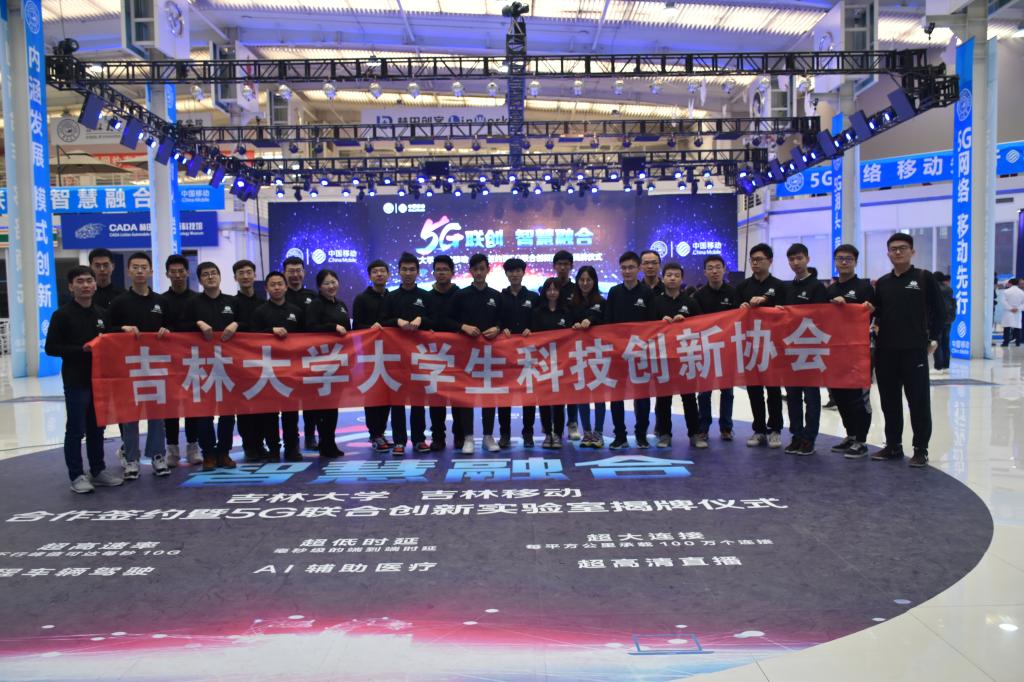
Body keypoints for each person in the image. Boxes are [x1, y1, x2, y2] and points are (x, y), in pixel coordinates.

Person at [45, 266, 124, 494]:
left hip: (99, 380)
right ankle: (76, 475)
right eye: (80, 281)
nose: (86, 285)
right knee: (76, 429)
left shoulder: (102, 313)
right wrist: (82, 349)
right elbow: (51, 348)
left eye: (89, 281)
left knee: (97, 428)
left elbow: (109, 340)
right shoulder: (62, 315)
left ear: (95, 284)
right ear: (71, 287)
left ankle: (97, 471)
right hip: (75, 380)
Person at [871, 233, 945, 468]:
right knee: (889, 401)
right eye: (893, 249)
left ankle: (921, 449)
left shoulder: (923, 277)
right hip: (886, 351)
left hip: (914, 350)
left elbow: (940, 311)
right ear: (888, 253)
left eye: (903, 248)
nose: (898, 252)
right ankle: (893, 445)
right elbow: (878, 313)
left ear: (912, 252)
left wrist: (934, 338)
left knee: (918, 401)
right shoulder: (883, 282)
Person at [107, 252, 171, 479]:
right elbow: (106, 330)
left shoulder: (161, 302)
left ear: (151, 271)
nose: (140, 271)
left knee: (157, 414)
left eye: (144, 267)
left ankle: (158, 455)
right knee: (129, 414)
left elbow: (173, 329)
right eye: (135, 267)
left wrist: (167, 331)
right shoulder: (119, 302)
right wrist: (121, 329)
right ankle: (131, 458)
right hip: (128, 368)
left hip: (155, 366)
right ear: (128, 271)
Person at [184, 262, 240, 471]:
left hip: (227, 365)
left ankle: (224, 452)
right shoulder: (192, 303)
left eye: (214, 273)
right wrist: (197, 324)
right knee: (204, 412)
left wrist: (237, 324)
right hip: (201, 366)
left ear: (220, 276)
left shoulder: (232, 302)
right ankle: (208, 453)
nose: (210, 277)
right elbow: (180, 327)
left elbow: (248, 323)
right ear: (200, 280)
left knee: (228, 412)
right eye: (205, 274)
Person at [825, 244, 875, 459]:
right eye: (840, 258)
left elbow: (872, 314)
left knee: (858, 399)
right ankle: (851, 435)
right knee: (840, 396)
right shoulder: (830, 290)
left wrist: (850, 308)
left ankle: (861, 440)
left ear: (855, 261)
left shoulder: (864, 288)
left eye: (848, 259)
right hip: (835, 352)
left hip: (858, 353)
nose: (844, 262)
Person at [382, 252, 433, 456]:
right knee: (398, 401)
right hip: (396, 357)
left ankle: (419, 439)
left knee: (418, 399)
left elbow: (435, 320)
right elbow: (382, 321)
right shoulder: (391, 296)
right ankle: (399, 440)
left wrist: (422, 319)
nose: (408, 273)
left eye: (412, 269)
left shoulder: (426, 296)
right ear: (399, 271)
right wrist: (397, 322)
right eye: (405, 269)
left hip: (420, 356)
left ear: (418, 272)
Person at [251, 271, 306, 462]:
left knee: (291, 413)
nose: (277, 288)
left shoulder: (296, 311)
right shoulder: (259, 312)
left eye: (280, 284)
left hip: (291, 370)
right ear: (266, 288)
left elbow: (305, 338)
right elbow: (252, 338)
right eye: (272, 285)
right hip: (267, 370)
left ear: (286, 286)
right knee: (269, 414)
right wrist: (270, 332)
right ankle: (273, 449)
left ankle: (292, 448)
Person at [779, 243, 828, 456]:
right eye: (792, 259)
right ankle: (796, 436)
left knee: (811, 396)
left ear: (807, 259)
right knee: (792, 396)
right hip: (791, 351)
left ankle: (809, 438)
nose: (796, 263)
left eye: (799, 258)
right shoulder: (788, 288)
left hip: (811, 350)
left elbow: (822, 317)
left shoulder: (817, 287)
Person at [451, 253, 503, 454]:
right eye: (475, 269)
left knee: (489, 395)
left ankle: (488, 436)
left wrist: (497, 328)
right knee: (467, 395)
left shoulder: (496, 295)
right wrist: (463, 326)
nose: (479, 272)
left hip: (490, 354)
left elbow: (503, 320)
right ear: (470, 271)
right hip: (466, 355)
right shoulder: (461, 295)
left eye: (482, 268)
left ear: (488, 269)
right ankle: (468, 437)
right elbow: (447, 319)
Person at [650, 262, 704, 449]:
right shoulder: (655, 302)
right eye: (669, 275)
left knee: (689, 398)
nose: (672, 278)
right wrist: (659, 323)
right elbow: (647, 330)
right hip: (663, 358)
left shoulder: (690, 302)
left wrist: (686, 322)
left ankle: (694, 434)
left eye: (676, 275)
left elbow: (701, 326)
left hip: (685, 357)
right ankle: (664, 434)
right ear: (663, 278)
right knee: (663, 398)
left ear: (682, 279)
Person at [737, 243, 785, 449]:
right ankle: (759, 429)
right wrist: (741, 308)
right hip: (750, 346)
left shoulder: (780, 286)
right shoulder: (742, 287)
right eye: (753, 260)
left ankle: (775, 429)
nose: (755, 263)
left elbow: (788, 314)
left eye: (760, 259)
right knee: (754, 390)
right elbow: (733, 316)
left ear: (770, 261)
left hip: (773, 346)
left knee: (773, 390)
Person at [303, 269, 351, 459]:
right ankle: (325, 443)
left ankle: (330, 442)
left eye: (334, 282)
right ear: (319, 287)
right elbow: (310, 328)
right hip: (321, 363)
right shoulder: (315, 304)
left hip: (338, 362)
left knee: (333, 406)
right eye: (326, 283)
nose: (331, 286)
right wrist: (332, 327)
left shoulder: (341, 304)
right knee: (322, 406)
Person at [607, 251, 652, 449]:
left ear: (638, 269)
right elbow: (607, 322)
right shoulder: (614, 292)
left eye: (631, 267)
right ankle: (620, 436)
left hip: (640, 353)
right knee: (617, 396)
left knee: (642, 396)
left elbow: (652, 323)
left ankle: (641, 435)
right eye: (624, 268)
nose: (627, 271)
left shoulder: (647, 293)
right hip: (618, 354)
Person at [693, 254, 737, 443]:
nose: (714, 271)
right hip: (706, 350)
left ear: (724, 269)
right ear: (705, 272)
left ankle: (726, 427)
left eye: (718, 267)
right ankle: (703, 427)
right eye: (710, 268)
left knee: (727, 391)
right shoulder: (699, 295)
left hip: (728, 349)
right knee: (704, 392)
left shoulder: (733, 293)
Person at [162, 254, 200, 466]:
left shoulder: (197, 299)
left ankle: (193, 447)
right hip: (169, 361)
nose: (177, 275)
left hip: (193, 360)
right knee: (171, 407)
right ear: (167, 274)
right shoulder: (161, 300)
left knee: (192, 405)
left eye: (181, 271)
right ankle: (172, 449)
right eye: (173, 272)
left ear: (187, 272)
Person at [353, 259, 393, 453]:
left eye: (382, 271)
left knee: (388, 394)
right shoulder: (361, 299)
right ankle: (374, 433)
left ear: (388, 274)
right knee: (372, 393)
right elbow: (356, 327)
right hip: (369, 354)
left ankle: (381, 431)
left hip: (391, 354)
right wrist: (370, 328)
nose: (379, 274)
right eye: (375, 272)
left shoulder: (392, 297)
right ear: (370, 276)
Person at [499, 257, 540, 448]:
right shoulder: (499, 297)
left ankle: (528, 433)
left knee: (528, 395)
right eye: (511, 271)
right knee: (504, 395)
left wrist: (532, 329)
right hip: (505, 353)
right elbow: (495, 319)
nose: (514, 274)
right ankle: (504, 434)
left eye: (517, 271)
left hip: (528, 354)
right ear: (506, 274)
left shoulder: (533, 297)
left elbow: (541, 320)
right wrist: (501, 328)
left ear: (523, 272)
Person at [426, 255, 464, 451]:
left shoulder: (461, 295)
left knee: (458, 397)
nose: (441, 273)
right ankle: (438, 437)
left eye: (445, 269)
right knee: (436, 398)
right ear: (433, 272)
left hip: (458, 355)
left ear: (452, 272)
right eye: (438, 270)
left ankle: (459, 436)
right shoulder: (426, 297)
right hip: (434, 355)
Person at [232, 259, 268, 462]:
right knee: (244, 408)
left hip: (261, 363)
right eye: (241, 273)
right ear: (235, 277)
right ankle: (249, 446)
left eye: (248, 272)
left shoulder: (264, 303)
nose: (245, 276)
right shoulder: (231, 304)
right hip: (240, 363)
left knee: (262, 406)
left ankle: (260, 444)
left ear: (255, 275)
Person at [282, 256, 320, 452]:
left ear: (304, 273)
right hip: (286, 358)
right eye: (291, 271)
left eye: (298, 271)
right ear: (284, 273)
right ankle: (291, 440)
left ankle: (310, 436)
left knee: (311, 400)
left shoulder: (313, 296)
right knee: (288, 401)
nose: (295, 275)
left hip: (310, 356)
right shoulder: (279, 295)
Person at [533, 277, 573, 448]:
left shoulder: (567, 312)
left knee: (558, 400)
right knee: (543, 399)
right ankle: (547, 434)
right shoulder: (537, 312)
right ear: (544, 292)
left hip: (561, 363)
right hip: (542, 363)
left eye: (555, 289)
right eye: (549, 289)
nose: (552, 292)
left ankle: (557, 434)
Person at [570, 265, 607, 448]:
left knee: (599, 394)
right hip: (577, 355)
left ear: (594, 281)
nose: (585, 283)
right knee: (582, 394)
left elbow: (606, 322)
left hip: (598, 354)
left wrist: (591, 320)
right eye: (582, 280)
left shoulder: (601, 301)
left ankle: (598, 432)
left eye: (589, 280)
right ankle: (586, 432)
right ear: (577, 281)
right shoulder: (571, 302)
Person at [549, 250, 579, 439]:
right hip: (552, 349)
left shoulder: (576, 289)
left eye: (566, 264)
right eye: (559, 264)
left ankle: (573, 423)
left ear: (571, 266)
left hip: (572, 347)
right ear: (554, 266)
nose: (562, 267)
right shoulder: (548, 287)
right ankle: (555, 424)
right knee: (554, 387)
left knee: (572, 386)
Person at [934, 272, 956, 372]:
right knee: (945, 342)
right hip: (948, 319)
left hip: (937, 319)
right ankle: (946, 365)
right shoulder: (949, 289)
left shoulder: (934, 288)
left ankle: (938, 366)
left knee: (937, 342)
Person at [1000, 278, 1024, 347]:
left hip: (1008, 312)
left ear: (1010, 283)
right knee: (1017, 327)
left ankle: (1006, 342)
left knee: (1007, 327)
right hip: (1017, 312)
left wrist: (1010, 308)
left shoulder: (1006, 291)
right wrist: (1018, 308)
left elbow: (1003, 302)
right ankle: (1018, 342)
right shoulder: (1021, 292)